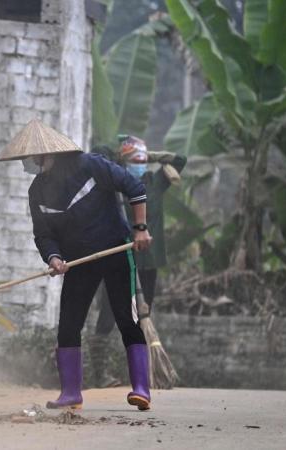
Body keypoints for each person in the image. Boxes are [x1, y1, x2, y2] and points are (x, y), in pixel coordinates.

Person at [0, 119, 153, 411]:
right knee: (68, 324)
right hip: (79, 261)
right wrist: (54, 258)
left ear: (50, 154)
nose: (31, 163)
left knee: (126, 318)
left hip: (116, 250)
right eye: (28, 159)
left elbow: (135, 188)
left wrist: (140, 228)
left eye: (35, 157)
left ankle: (141, 388)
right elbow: (43, 234)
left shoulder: (91, 165)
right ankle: (71, 393)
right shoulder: (37, 191)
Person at [90, 136, 187, 388]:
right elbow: (101, 155)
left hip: (149, 260)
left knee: (142, 314)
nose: (140, 164)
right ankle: (100, 374)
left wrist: (150, 154)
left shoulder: (155, 183)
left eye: (143, 160)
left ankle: (140, 373)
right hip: (119, 257)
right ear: (124, 161)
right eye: (136, 160)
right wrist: (123, 157)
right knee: (109, 313)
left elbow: (181, 161)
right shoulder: (117, 184)